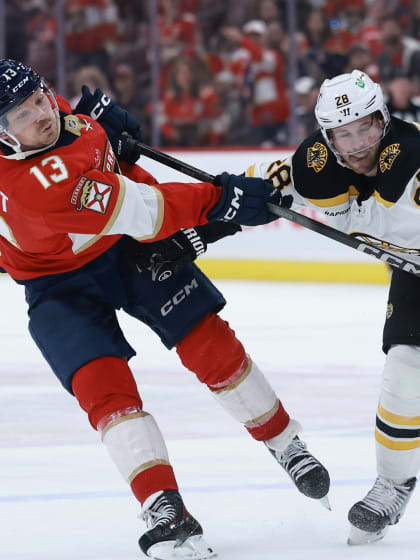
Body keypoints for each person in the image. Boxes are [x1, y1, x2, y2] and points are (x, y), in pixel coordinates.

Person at [0, 59, 330, 560]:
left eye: (40, 99)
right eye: (23, 114)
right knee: (104, 389)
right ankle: (164, 506)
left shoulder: (43, 121)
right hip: (58, 281)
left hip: (116, 247)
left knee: (207, 339)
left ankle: (286, 443)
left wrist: (105, 134)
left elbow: (90, 146)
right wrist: (220, 201)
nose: (43, 114)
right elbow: (145, 211)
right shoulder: (34, 187)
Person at [147, 68, 420, 547]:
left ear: (384, 119)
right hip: (414, 271)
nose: (358, 144)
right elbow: (252, 192)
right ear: (327, 137)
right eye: (343, 134)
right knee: (404, 371)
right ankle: (393, 484)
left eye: (366, 128)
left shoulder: (412, 159)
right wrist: (195, 235)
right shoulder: (316, 165)